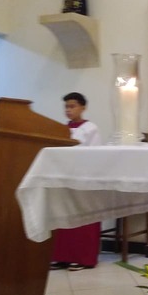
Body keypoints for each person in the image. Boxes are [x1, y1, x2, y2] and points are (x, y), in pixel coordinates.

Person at [50, 92, 102, 271]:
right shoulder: (61, 128)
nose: (68, 110)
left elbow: (95, 153)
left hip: (83, 177)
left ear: (83, 107)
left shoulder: (90, 128)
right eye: (66, 106)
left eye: (72, 106)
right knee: (64, 216)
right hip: (65, 176)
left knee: (82, 218)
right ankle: (62, 257)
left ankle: (82, 258)